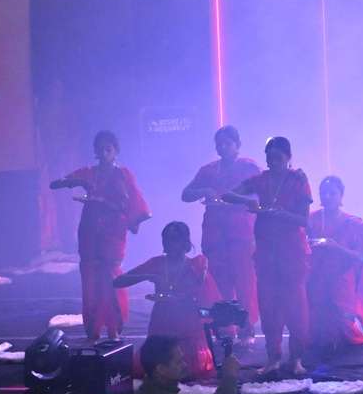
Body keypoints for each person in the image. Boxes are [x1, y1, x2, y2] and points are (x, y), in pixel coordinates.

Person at [221, 136, 311, 377]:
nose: (273, 163)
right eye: (269, 158)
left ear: (288, 158)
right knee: (269, 306)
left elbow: (304, 220)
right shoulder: (261, 180)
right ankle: (273, 358)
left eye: (278, 158)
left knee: (296, 307)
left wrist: (280, 214)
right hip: (266, 254)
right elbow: (228, 195)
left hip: (292, 254)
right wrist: (250, 201)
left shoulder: (298, 180)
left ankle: (296, 358)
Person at [51, 129, 150, 340]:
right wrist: (71, 182)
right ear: (95, 151)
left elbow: (136, 204)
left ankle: (114, 328)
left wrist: (107, 204)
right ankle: (94, 330)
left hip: (113, 231)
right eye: (100, 149)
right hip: (90, 231)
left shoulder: (123, 175)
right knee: (90, 278)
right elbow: (55, 184)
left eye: (108, 149)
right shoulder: (89, 172)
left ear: (116, 151)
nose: (104, 153)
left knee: (110, 275)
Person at [181, 126, 260, 337]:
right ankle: (226, 328)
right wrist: (203, 190)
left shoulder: (249, 167)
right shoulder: (208, 170)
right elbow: (186, 194)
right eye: (219, 144)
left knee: (244, 281)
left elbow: (261, 195)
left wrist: (234, 200)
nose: (223, 147)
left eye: (228, 143)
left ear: (238, 145)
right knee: (219, 280)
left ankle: (246, 329)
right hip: (215, 234)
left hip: (242, 233)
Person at [116, 222, 221, 378]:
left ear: (185, 243)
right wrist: (147, 276)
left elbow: (204, 292)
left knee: (192, 373)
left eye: (174, 239)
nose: (168, 244)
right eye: (165, 239)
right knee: (153, 369)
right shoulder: (157, 263)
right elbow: (118, 282)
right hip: (162, 319)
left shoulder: (196, 264)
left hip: (188, 320)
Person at [306, 175, 363, 355]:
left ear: (341, 195)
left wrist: (335, 247)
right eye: (324, 193)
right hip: (316, 277)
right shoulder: (310, 220)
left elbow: (360, 257)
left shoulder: (354, 224)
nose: (327, 197)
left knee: (345, 332)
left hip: (342, 279)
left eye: (332, 193)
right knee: (315, 335)